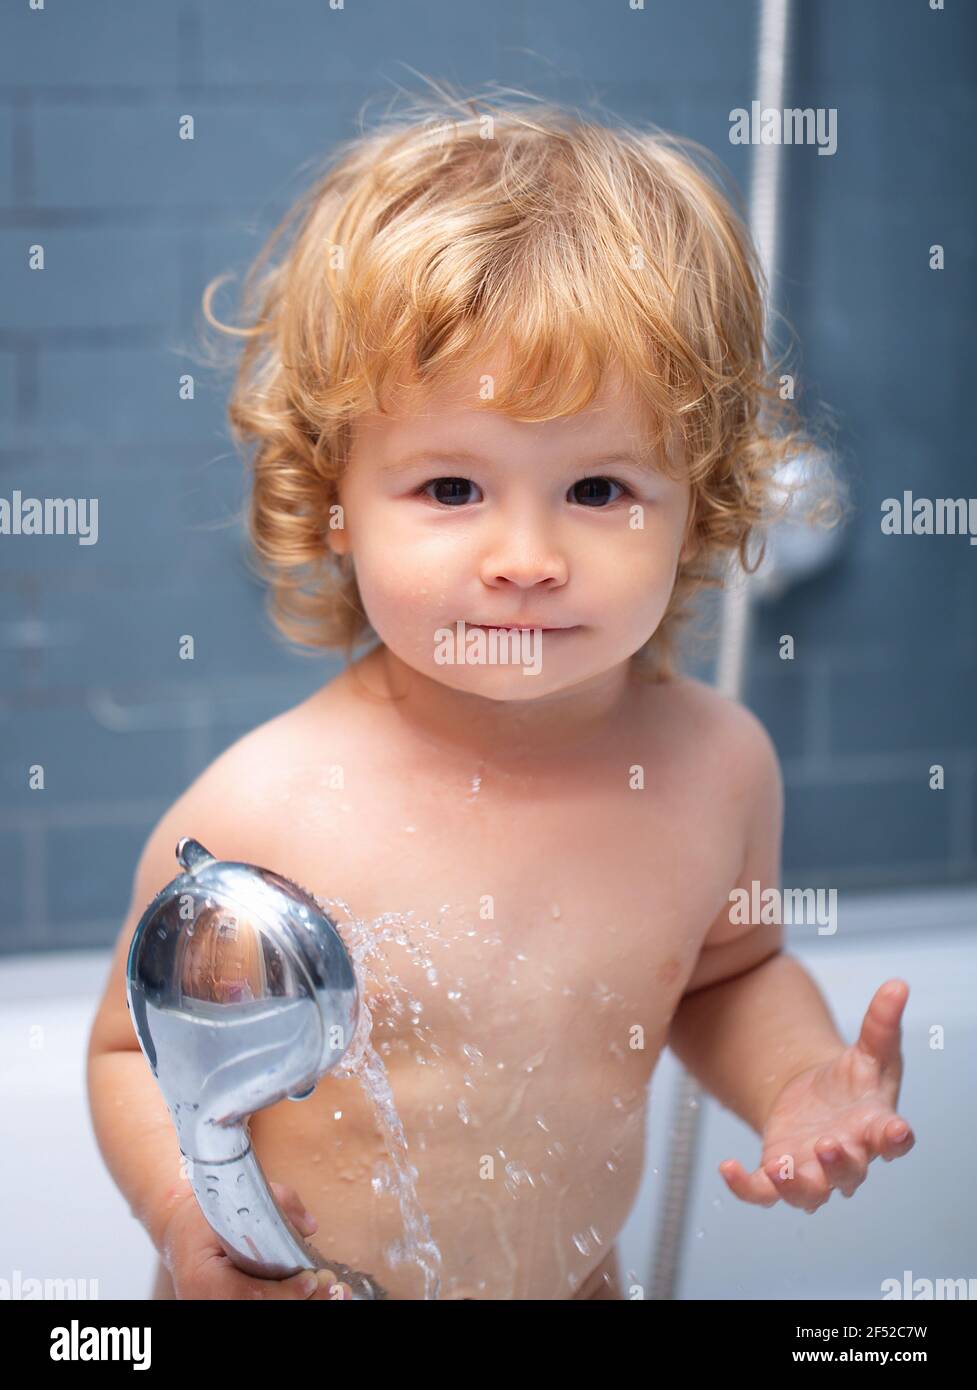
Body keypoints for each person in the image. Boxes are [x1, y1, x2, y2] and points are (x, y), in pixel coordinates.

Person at [86, 84, 914, 1301]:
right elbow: (127, 1047)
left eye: (594, 490)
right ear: (331, 497)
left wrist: (794, 1078)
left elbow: (724, 972)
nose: (524, 555)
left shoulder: (713, 763)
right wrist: (181, 1214)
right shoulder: (270, 806)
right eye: (451, 490)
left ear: (703, 502)